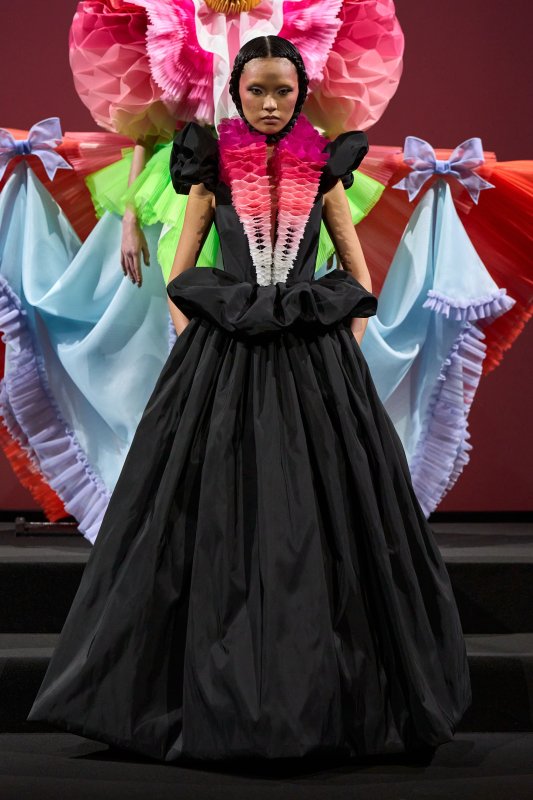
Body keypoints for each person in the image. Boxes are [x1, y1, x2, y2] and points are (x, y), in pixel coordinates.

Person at [28, 36, 471, 761]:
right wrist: (195, 348)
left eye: (282, 92)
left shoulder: (325, 167)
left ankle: (334, 689)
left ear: (300, 95)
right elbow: (183, 273)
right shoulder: (210, 166)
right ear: (236, 92)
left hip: (312, 352)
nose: (269, 104)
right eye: (256, 91)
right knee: (205, 500)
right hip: (224, 351)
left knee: (324, 506)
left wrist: (345, 345)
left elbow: (354, 267)